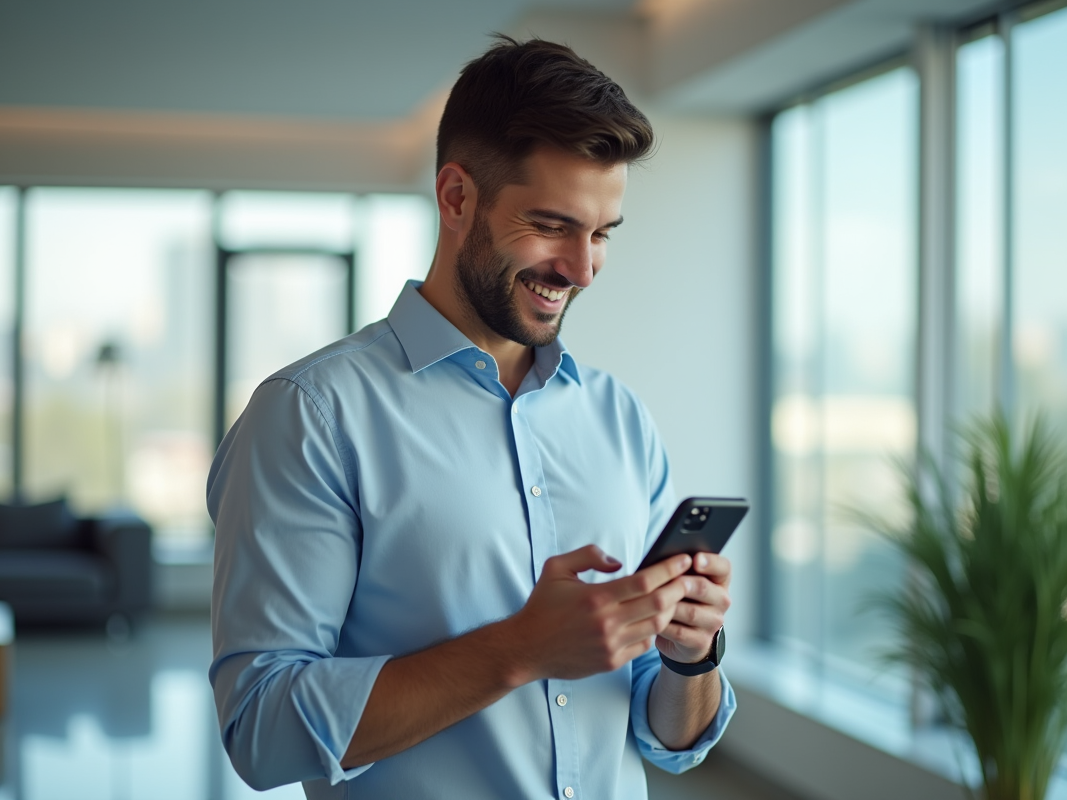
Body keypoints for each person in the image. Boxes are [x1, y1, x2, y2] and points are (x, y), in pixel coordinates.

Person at [208, 36, 736, 800]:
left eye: (601, 234)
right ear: (456, 198)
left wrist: (691, 657)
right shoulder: (312, 415)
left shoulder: (619, 418)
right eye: (552, 225)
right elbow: (263, 731)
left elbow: (670, 738)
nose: (582, 269)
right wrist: (519, 649)